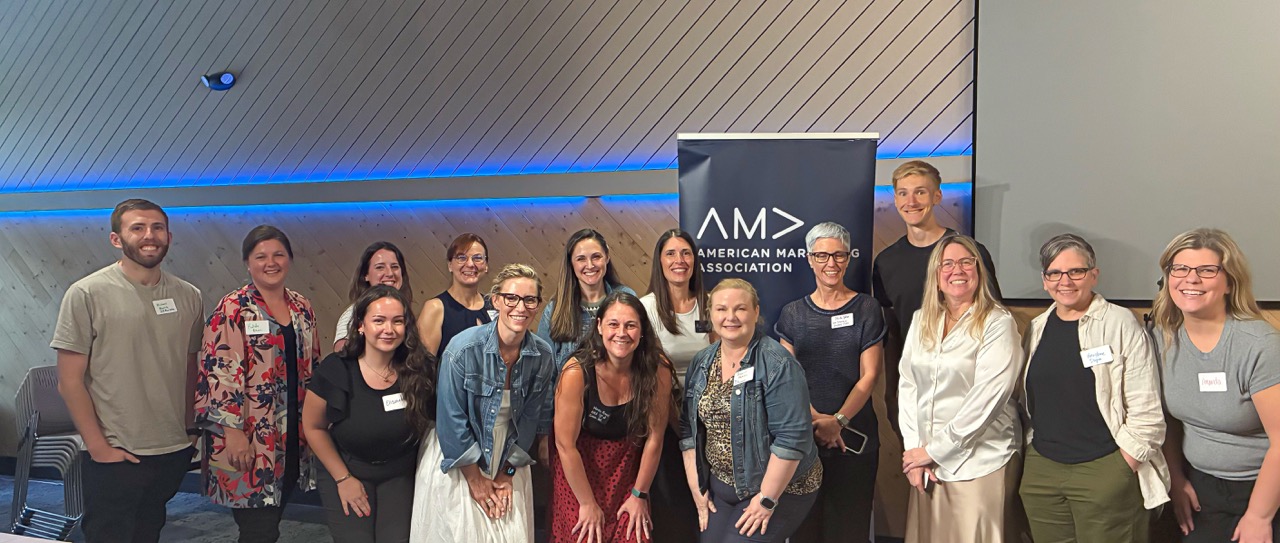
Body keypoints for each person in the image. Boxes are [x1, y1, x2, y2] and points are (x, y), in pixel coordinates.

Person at [51, 198, 204, 542]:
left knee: (148, 531)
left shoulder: (189, 296)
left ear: (169, 236)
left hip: (171, 446)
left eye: (157, 228)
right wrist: (98, 447)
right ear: (116, 239)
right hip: (115, 447)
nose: (149, 236)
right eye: (137, 228)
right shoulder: (87, 293)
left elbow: (191, 366)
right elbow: (69, 381)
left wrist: (190, 431)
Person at [1018, 234, 1170, 543]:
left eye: (1076, 271)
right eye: (1055, 273)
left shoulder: (1120, 323)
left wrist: (1121, 467)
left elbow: (1147, 410)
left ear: (1093, 275)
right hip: (1043, 470)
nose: (1066, 281)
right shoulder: (1036, 328)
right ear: (1045, 281)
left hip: (1105, 467)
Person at [412, 264, 558, 542]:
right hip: (459, 456)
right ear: (496, 300)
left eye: (530, 300)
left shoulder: (543, 354)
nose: (521, 307)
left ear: (537, 305)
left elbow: (529, 420)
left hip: (509, 457)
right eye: (512, 298)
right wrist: (474, 478)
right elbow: (450, 418)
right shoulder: (462, 348)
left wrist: (508, 472)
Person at [196, 225, 322, 542]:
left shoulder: (302, 307)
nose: (271, 262)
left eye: (279, 254)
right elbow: (217, 373)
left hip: (293, 434)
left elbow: (314, 365)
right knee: (258, 527)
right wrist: (232, 432)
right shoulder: (233, 308)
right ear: (247, 262)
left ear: (289, 259)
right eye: (261, 256)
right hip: (248, 437)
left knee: (273, 519)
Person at [1154, 228, 1280, 542]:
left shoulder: (1259, 345)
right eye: (1179, 269)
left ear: (1229, 281)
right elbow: (1168, 421)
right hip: (1202, 489)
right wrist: (1177, 479)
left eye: (1206, 270)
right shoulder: (1162, 339)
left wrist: (1259, 516)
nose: (1190, 279)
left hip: (1264, 490)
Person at [898, 234, 1022, 543]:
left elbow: (989, 398)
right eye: (948, 264)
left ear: (979, 272)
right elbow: (908, 385)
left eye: (967, 262)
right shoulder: (921, 320)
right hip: (927, 465)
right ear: (936, 276)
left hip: (982, 462)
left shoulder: (998, 323)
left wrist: (934, 451)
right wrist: (914, 451)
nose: (958, 270)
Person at [680, 278, 822, 543]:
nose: (730, 317)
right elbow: (688, 429)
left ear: (756, 312)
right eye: (721, 309)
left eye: (740, 309)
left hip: (782, 489)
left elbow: (792, 440)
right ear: (710, 314)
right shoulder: (702, 362)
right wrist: (697, 489)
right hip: (722, 487)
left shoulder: (778, 364)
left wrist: (767, 500)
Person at [871, 160, 1002, 435]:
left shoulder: (970, 255)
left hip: (966, 383)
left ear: (937, 196)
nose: (911, 201)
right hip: (916, 384)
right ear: (894, 199)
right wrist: (892, 391)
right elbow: (894, 333)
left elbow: (995, 318)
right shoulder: (886, 262)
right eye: (903, 193)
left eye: (920, 192)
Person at [776, 222, 885, 543]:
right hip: (804, 439)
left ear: (849, 258)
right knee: (803, 530)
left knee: (848, 529)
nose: (831, 264)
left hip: (854, 438)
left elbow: (870, 375)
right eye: (822, 256)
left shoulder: (867, 308)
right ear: (809, 259)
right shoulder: (793, 313)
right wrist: (815, 421)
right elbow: (788, 378)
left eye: (838, 255)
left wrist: (837, 421)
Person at [302, 285, 437, 543]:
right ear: (361, 325)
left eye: (398, 321)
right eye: (379, 320)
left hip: (398, 473)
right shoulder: (336, 369)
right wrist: (343, 479)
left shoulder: (420, 369)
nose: (389, 329)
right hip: (346, 469)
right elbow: (313, 427)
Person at [548, 292, 674, 543]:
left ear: (642, 330)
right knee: (584, 534)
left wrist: (640, 495)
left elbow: (655, 438)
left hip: (628, 469)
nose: (622, 333)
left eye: (631, 325)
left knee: (635, 533)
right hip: (579, 465)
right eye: (613, 324)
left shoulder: (657, 369)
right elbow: (565, 445)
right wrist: (586, 503)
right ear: (599, 327)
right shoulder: (575, 372)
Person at [637, 228, 707, 541]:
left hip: (709, 423)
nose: (679, 260)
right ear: (660, 261)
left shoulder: (711, 304)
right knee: (672, 507)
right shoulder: (646, 308)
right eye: (670, 253)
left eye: (686, 253)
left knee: (706, 507)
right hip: (663, 423)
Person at [537, 229, 635, 369]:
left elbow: (641, 351)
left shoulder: (627, 297)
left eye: (596, 257)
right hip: (568, 390)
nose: (590, 265)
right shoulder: (554, 310)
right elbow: (544, 373)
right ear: (571, 263)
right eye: (581, 259)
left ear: (607, 257)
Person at [418, 233, 494, 358]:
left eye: (477, 258)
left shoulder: (494, 306)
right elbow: (424, 367)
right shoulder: (435, 308)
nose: (470, 264)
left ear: (485, 265)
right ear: (450, 265)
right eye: (461, 258)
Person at [335, 241, 414, 352]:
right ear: (365, 275)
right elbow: (342, 359)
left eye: (395, 267)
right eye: (380, 267)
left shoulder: (405, 311)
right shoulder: (352, 313)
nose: (390, 273)